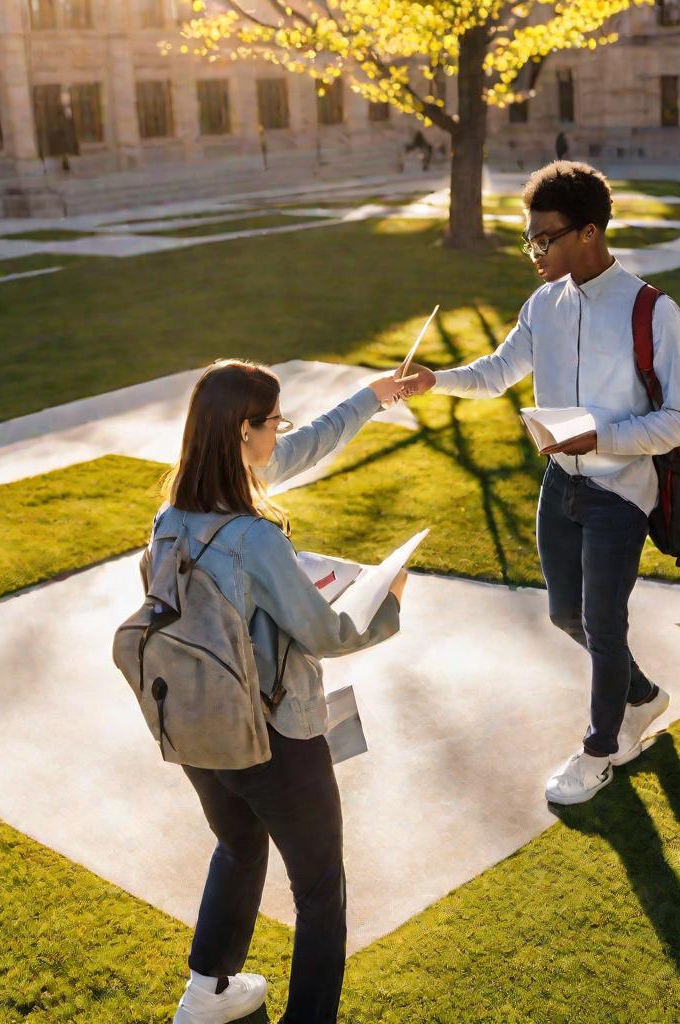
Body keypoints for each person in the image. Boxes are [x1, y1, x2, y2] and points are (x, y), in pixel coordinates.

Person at [402, 161, 680, 805]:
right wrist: (436, 380)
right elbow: (496, 371)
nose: (532, 251)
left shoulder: (653, 312)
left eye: (544, 238)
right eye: (529, 237)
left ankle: (601, 749)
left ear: (589, 233)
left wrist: (602, 439)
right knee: (567, 613)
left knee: (603, 619)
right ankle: (644, 697)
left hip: (620, 490)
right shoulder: (543, 304)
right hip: (559, 481)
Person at [154, 360, 410, 1024]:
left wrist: (370, 399)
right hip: (275, 736)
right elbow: (326, 632)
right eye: (273, 422)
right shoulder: (256, 538)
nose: (280, 434)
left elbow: (299, 449)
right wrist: (385, 601)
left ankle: (206, 992)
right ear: (243, 432)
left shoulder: (172, 515)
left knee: (238, 843)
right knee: (321, 887)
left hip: (193, 726)